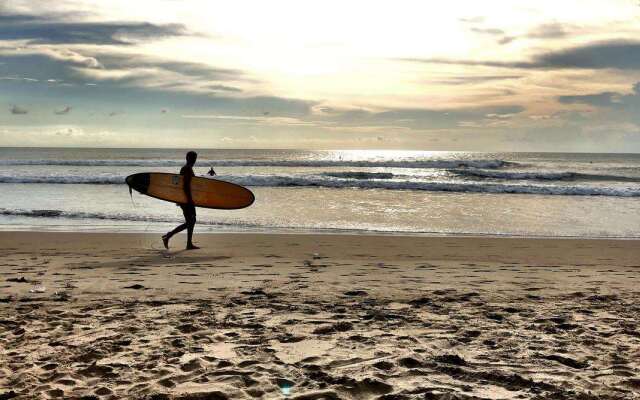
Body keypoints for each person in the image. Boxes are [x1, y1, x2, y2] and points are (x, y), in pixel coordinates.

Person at [162, 151, 200, 250]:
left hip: (186, 199)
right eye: (192, 158)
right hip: (186, 199)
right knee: (190, 221)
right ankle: (169, 236)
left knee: (191, 221)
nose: (194, 160)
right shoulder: (187, 169)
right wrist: (189, 200)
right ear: (187, 158)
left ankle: (187, 243)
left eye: (195, 158)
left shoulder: (187, 168)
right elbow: (185, 186)